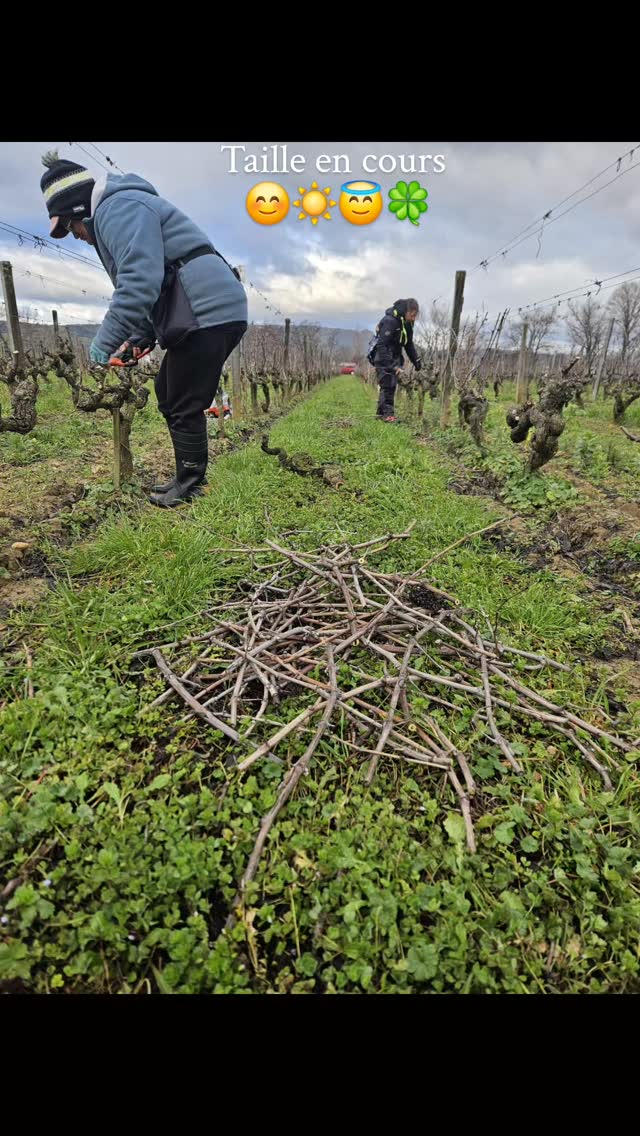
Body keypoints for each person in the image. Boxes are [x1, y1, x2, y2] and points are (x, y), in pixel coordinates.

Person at [39, 151, 248, 507]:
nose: (76, 236)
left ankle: (192, 485)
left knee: (182, 399)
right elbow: (157, 280)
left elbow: (140, 282)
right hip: (203, 309)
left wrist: (104, 341)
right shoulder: (119, 208)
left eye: (71, 228)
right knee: (169, 391)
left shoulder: (117, 208)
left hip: (207, 310)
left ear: (79, 210)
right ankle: (188, 478)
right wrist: (138, 337)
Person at [372, 298, 421, 422]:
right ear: (406, 311)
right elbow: (381, 345)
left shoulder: (407, 323)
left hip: (395, 358)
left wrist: (416, 360)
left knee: (389, 386)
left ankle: (380, 415)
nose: (413, 318)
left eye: (415, 316)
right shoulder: (390, 321)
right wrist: (391, 365)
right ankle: (388, 416)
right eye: (412, 315)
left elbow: (408, 344)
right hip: (384, 357)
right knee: (388, 385)